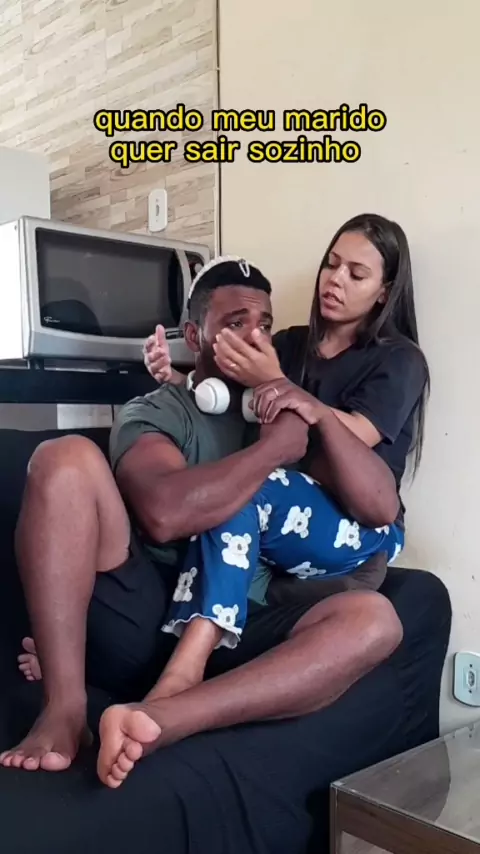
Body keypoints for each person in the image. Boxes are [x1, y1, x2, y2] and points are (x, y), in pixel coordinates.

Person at [0, 242, 405, 789]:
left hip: (240, 623)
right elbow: (164, 514)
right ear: (195, 338)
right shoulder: (158, 410)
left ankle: (162, 719)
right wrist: (271, 452)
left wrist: (301, 408)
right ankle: (65, 711)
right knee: (61, 458)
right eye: (237, 324)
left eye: (265, 325)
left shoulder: (280, 408)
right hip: (146, 608)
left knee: (376, 621)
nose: (256, 337)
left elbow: (381, 506)